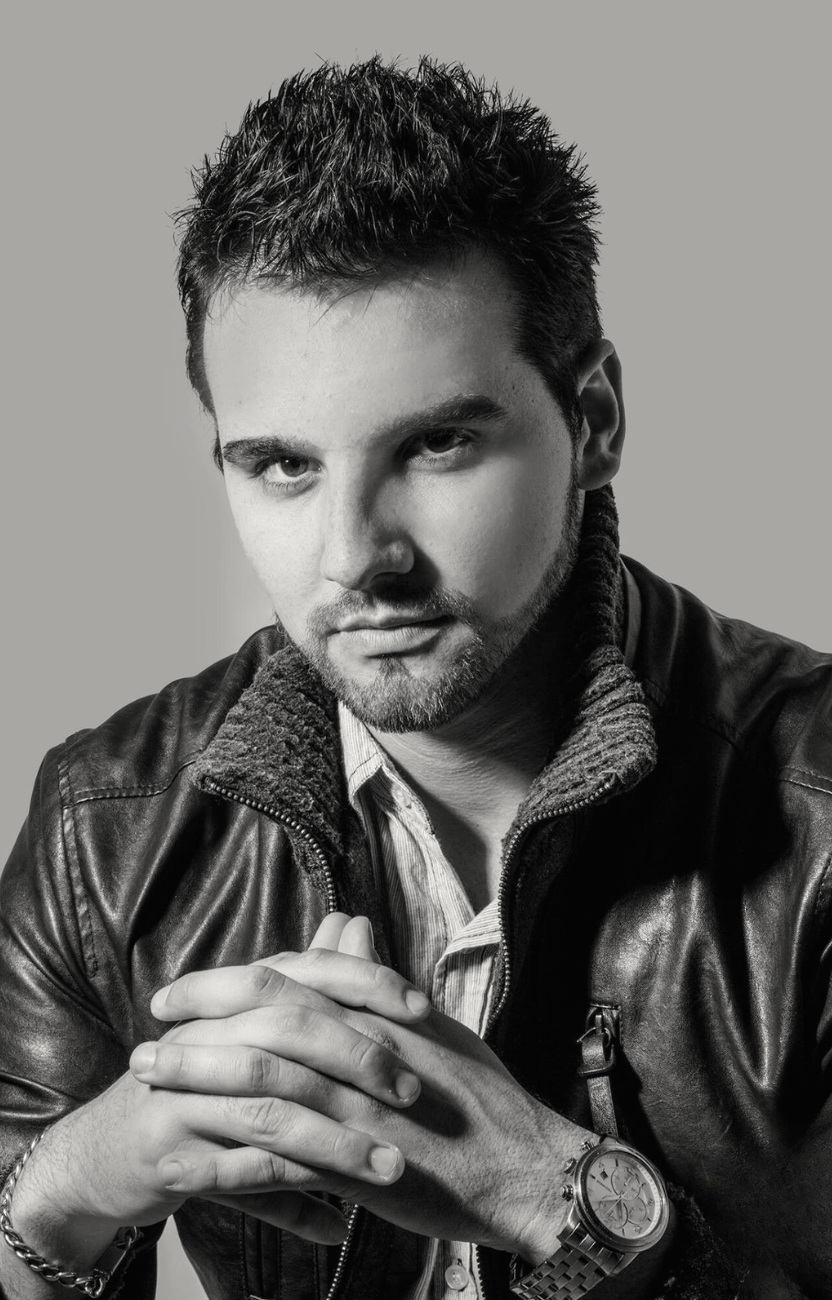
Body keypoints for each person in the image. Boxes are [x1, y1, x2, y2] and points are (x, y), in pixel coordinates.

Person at [0, 56, 829, 1300]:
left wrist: (562, 1200)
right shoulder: (105, 830)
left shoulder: (817, 821)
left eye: (436, 443)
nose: (355, 558)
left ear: (594, 419)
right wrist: (68, 1191)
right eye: (281, 464)